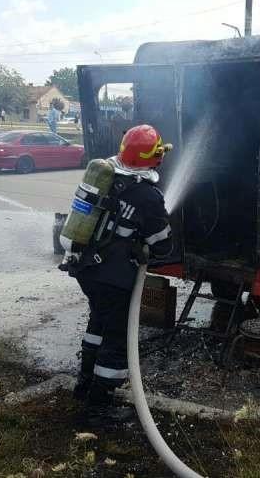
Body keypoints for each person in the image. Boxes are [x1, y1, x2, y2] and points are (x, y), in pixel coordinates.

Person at [68, 124, 173, 425]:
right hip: (113, 276)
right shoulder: (148, 195)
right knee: (116, 336)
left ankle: (84, 383)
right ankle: (99, 406)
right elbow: (162, 245)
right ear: (152, 159)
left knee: (97, 323)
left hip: (85, 267)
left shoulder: (105, 175)